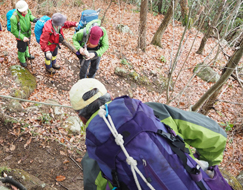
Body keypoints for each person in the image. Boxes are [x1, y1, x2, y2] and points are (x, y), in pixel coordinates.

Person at [69, 78, 232, 190]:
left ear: (82, 118)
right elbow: (216, 136)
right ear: (110, 96)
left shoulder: (94, 155)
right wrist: (204, 163)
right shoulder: (152, 112)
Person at [10, 0, 39, 67]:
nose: (25, 11)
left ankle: (27, 55)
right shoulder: (14, 18)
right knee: (21, 48)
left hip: (28, 34)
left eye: (26, 9)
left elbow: (30, 16)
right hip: (20, 36)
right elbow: (14, 31)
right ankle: (22, 59)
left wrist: (34, 19)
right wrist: (22, 37)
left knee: (27, 45)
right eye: (23, 10)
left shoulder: (27, 11)